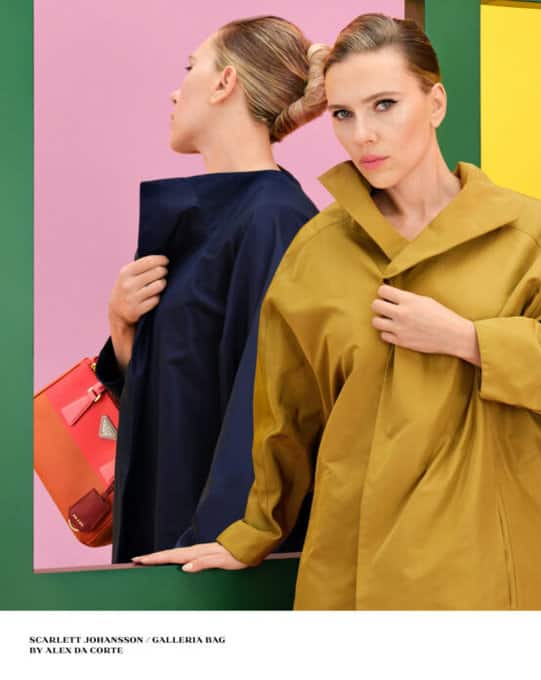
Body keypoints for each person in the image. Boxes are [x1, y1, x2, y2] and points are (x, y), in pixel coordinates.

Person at [134, 13, 541, 610]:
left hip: (510, 557)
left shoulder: (533, 234)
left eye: (385, 105)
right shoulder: (317, 252)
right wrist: (249, 534)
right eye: (343, 114)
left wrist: (469, 340)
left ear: (435, 103)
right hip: (362, 565)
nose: (363, 134)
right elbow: (285, 417)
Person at [97, 16, 327, 562]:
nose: (175, 92)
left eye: (190, 67)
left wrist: (227, 537)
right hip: (175, 528)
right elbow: (183, 389)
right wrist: (123, 329)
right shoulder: (217, 216)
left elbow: (270, 402)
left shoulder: (275, 218)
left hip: (219, 555)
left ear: (225, 82)